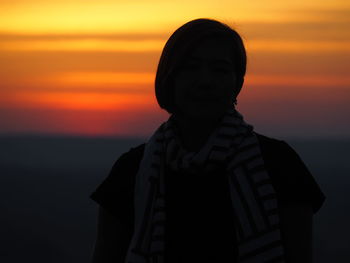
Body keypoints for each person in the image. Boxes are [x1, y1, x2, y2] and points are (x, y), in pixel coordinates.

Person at [90, 18, 326, 263]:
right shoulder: (131, 171)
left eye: (220, 69)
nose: (205, 81)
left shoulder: (280, 165)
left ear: (238, 83)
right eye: (191, 67)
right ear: (169, 78)